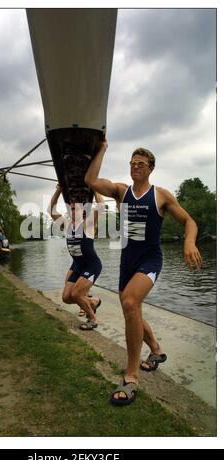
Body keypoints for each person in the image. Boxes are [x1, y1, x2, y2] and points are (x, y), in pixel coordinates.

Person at [85, 140, 202, 405]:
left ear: (150, 168)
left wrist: (189, 240)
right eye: (132, 163)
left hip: (150, 260)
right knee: (132, 309)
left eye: (141, 164)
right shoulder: (121, 192)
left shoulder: (161, 195)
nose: (135, 167)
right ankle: (157, 350)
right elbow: (91, 180)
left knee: (129, 301)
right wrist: (102, 149)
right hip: (127, 261)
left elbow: (189, 221)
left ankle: (131, 375)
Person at [48, 185, 104, 330]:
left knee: (77, 293)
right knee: (67, 297)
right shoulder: (66, 225)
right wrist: (59, 189)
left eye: (76, 208)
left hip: (92, 265)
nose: (73, 211)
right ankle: (93, 302)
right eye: (71, 208)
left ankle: (92, 319)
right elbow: (51, 210)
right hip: (78, 266)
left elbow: (101, 205)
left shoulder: (88, 225)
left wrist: (95, 188)